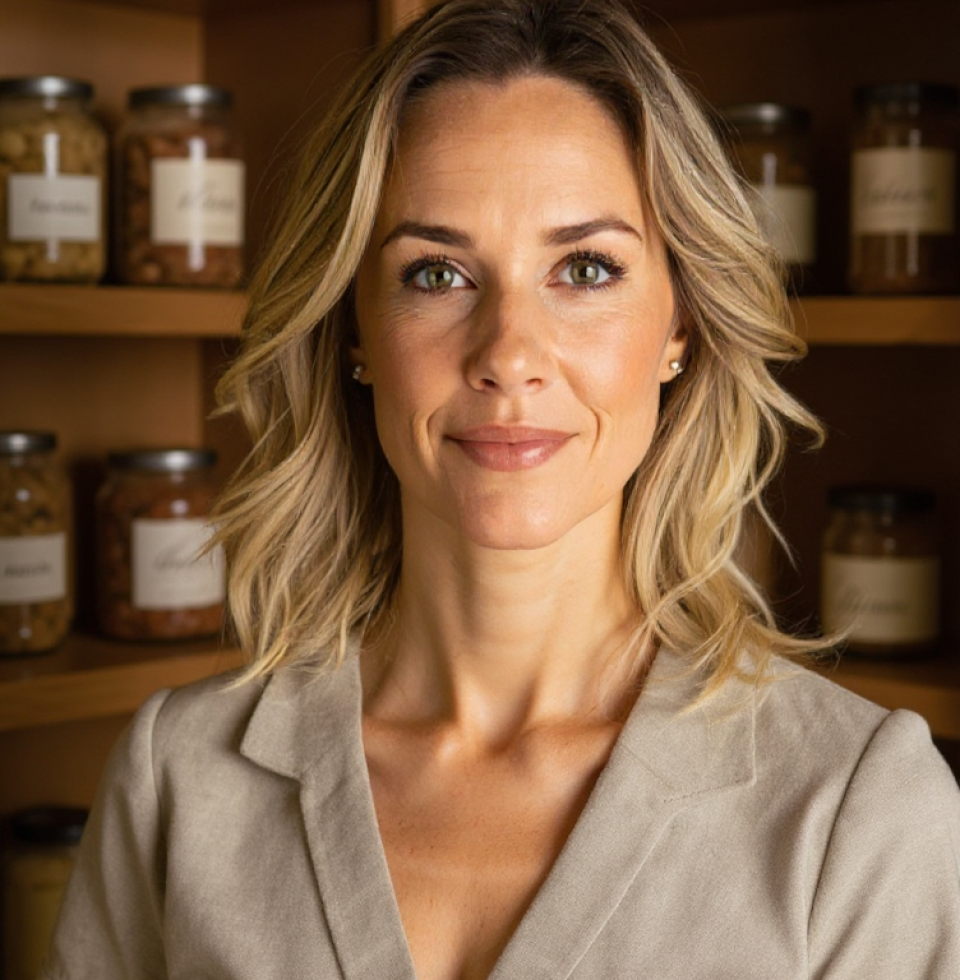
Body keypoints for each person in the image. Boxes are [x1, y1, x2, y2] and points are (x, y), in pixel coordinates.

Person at [43, 0, 960, 977]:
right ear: (354, 328)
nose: (509, 355)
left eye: (585, 267)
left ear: (680, 327)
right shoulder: (178, 775)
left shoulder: (856, 806)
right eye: (436, 273)